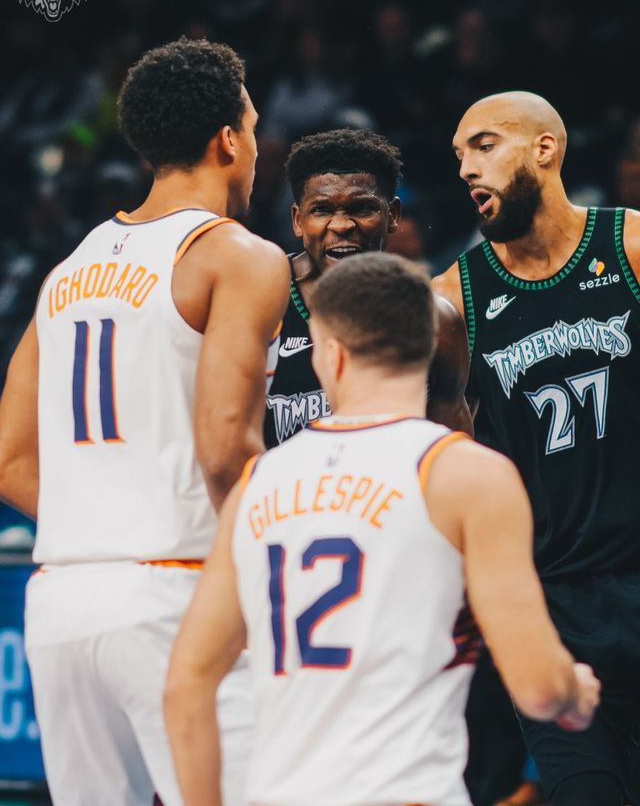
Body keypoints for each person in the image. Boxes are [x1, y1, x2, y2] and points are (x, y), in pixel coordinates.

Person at [164, 252, 599, 806]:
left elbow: (186, 686)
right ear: (429, 348)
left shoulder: (258, 481)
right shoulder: (466, 473)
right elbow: (538, 687)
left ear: (331, 355)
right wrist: (574, 692)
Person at [0, 37, 290, 806]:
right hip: (177, 588)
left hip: (61, 599)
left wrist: (102, 528)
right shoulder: (238, 256)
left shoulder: (67, 271)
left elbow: (6, 464)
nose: (256, 148)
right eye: (253, 129)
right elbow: (225, 449)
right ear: (228, 140)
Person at [434, 90, 640, 806]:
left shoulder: (637, 249)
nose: (467, 168)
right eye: (459, 155)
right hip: (551, 606)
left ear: (545, 149)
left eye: (484, 145)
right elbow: (445, 458)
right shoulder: (454, 300)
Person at [264, 127, 472, 448]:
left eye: (361, 208)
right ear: (297, 220)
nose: (342, 225)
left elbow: (452, 453)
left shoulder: (436, 318)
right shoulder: (262, 304)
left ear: (393, 215)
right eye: (322, 210)